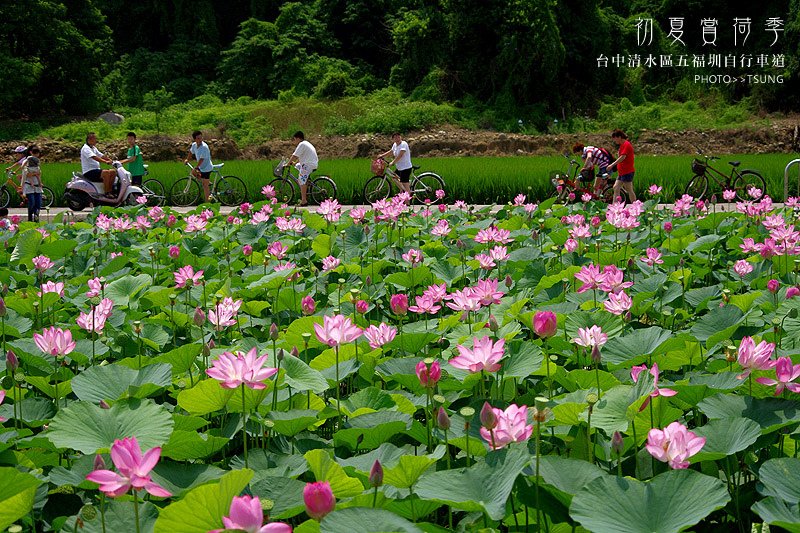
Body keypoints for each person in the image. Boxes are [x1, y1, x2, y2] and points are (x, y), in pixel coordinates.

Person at [285, 131, 318, 206]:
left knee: (301, 180)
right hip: (311, 164)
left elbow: (294, 155)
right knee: (297, 166)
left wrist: (288, 164)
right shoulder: (306, 143)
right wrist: (294, 163)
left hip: (308, 165)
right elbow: (300, 157)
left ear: (297, 138)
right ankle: (306, 181)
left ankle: (304, 200)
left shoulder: (301, 144)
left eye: (294, 139)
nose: (294, 141)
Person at [81, 132, 116, 197]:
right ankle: (106, 193)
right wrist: (105, 162)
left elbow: (101, 155)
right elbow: (94, 157)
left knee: (113, 172)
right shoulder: (85, 148)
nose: (96, 140)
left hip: (96, 170)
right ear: (89, 140)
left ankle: (110, 191)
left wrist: (110, 160)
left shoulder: (93, 148)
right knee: (106, 173)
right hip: (89, 172)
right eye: (94, 139)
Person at [607, 129, 636, 202]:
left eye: (615, 138)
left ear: (619, 137)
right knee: (616, 187)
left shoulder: (626, 144)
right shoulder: (622, 145)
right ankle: (615, 206)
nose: (614, 141)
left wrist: (612, 165)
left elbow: (623, 157)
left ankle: (635, 206)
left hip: (627, 171)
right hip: (622, 172)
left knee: (629, 189)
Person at [184, 130, 213, 202]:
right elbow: (191, 152)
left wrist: (196, 167)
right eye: (198, 138)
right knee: (193, 173)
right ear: (195, 139)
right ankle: (208, 182)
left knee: (204, 186)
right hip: (201, 167)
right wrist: (187, 160)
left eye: (201, 138)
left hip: (206, 167)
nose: (200, 140)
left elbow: (201, 159)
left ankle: (207, 204)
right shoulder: (194, 145)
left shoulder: (204, 147)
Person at [21, 146, 43, 222]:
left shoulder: (36, 162)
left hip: (37, 186)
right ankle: (30, 219)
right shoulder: (27, 161)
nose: (37, 155)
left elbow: (39, 172)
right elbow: (25, 172)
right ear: (31, 152)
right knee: (32, 202)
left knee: (38, 203)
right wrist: (33, 174)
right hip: (29, 186)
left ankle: (36, 218)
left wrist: (35, 175)